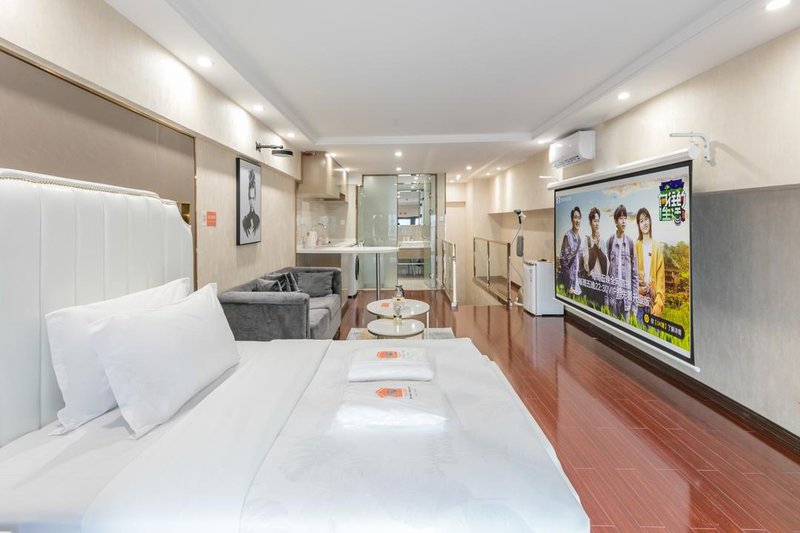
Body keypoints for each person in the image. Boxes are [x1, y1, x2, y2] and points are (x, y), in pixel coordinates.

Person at [605, 204, 638, 321]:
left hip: (626, 302)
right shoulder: (610, 242)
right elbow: (606, 274)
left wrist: (634, 306)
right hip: (613, 300)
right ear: (615, 221)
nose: (624, 221)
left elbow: (635, 277)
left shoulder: (630, 243)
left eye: (625, 218)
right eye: (621, 218)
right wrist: (606, 299)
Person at [635, 207, 665, 322]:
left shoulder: (657, 248)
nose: (644, 223)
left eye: (646, 219)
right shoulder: (635, 246)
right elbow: (630, 276)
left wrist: (658, 304)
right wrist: (638, 289)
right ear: (639, 225)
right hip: (639, 304)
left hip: (653, 305)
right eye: (641, 221)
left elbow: (661, 283)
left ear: (650, 221)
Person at [580, 207, 607, 309]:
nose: (597, 224)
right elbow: (587, 266)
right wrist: (595, 246)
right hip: (590, 282)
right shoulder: (586, 241)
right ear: (590, 223)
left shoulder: (603, 241)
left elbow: (606, 266)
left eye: (598, 221)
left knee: (600, 311)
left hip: (601, 283)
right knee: (589, 309)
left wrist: (599, 246)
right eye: (595, 221)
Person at [559, 206, 581, 295]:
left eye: (579, 218)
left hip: (576, 283)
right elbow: (563, 261)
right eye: (575, 217)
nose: (577, 220)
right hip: (570, 285)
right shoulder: (567, 236)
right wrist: (569, 285)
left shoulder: (579, 238)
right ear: (572, 220)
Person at [242, 170, 260, 238]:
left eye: (253, 198)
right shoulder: (245, 220)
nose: (252, 202)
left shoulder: (257, 219)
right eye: (250, 198)